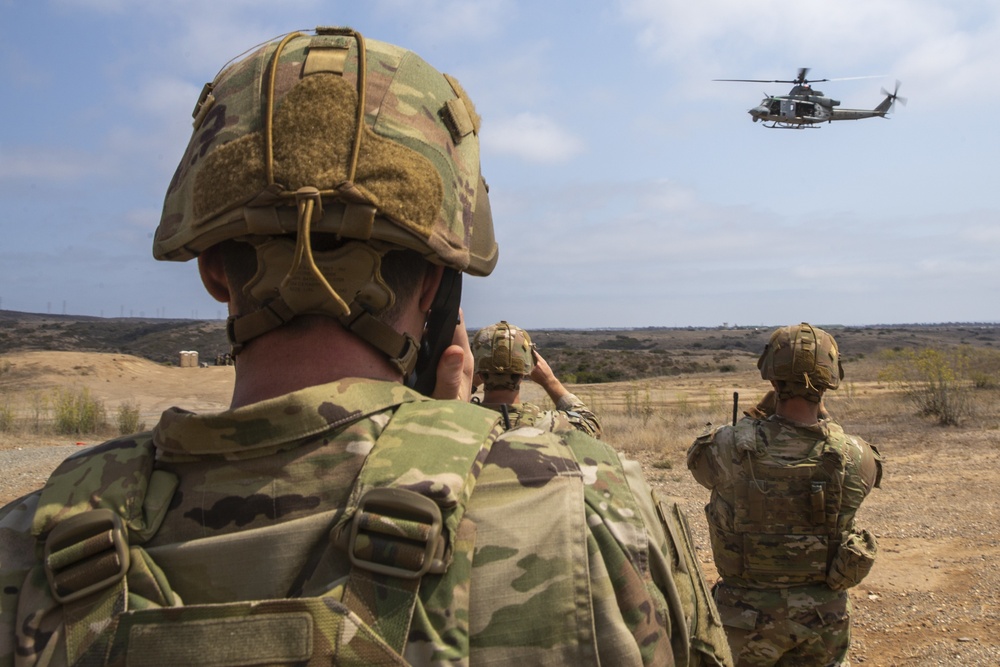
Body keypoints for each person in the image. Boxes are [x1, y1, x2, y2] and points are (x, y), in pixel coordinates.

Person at [0, 27, 732, 666]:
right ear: (435, 285)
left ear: (214, 269)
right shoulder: (594, 508)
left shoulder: (29, 546)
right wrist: (444, 433)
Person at [687, 323, 883, 666]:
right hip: (822, 621)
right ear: (831, 378)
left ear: (771, 378)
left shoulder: (726, 446)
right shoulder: (857, 455)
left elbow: (698, 466)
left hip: (743, 619)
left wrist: (757, 415)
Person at [470, 320, 602, 437]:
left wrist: (469, 382)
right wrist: (550, 381)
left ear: (477, 370)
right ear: (525, 372)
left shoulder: (460, 421)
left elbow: (450, 405)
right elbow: (591, 425)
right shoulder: (548, 425)